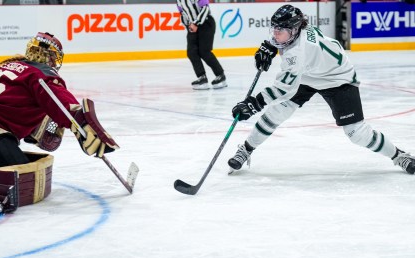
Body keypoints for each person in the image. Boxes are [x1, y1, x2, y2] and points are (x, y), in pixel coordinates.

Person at [0, 32, 119, 213]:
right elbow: (59, 102)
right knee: (24, 176)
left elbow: (9, 105)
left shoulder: (7, 66)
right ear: (53, 58)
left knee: (10, 160)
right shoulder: (40, 73)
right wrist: (81, 126)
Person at [227, 5, 415, 174]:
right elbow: (282, 42)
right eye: (274, 29)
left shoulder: (298, 54)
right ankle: (246, 149)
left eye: (280, 30)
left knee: (357, 133)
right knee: (277, 113)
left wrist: (254, 104)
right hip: (310, 73)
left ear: (293, 30)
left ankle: (399, 156)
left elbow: (282, 89)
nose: (275, 33)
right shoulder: (298, 31)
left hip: (338, 79)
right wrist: (270, 46)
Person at [177, 0, 227, 90]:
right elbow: (182, 14)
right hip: (192, 26)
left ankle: (220, 75)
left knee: (204, 51)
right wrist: (189, 25)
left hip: (206, 23)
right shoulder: (179, 1)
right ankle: (202, 77)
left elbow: (205, 9)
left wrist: (196, 23)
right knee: (191, 52)